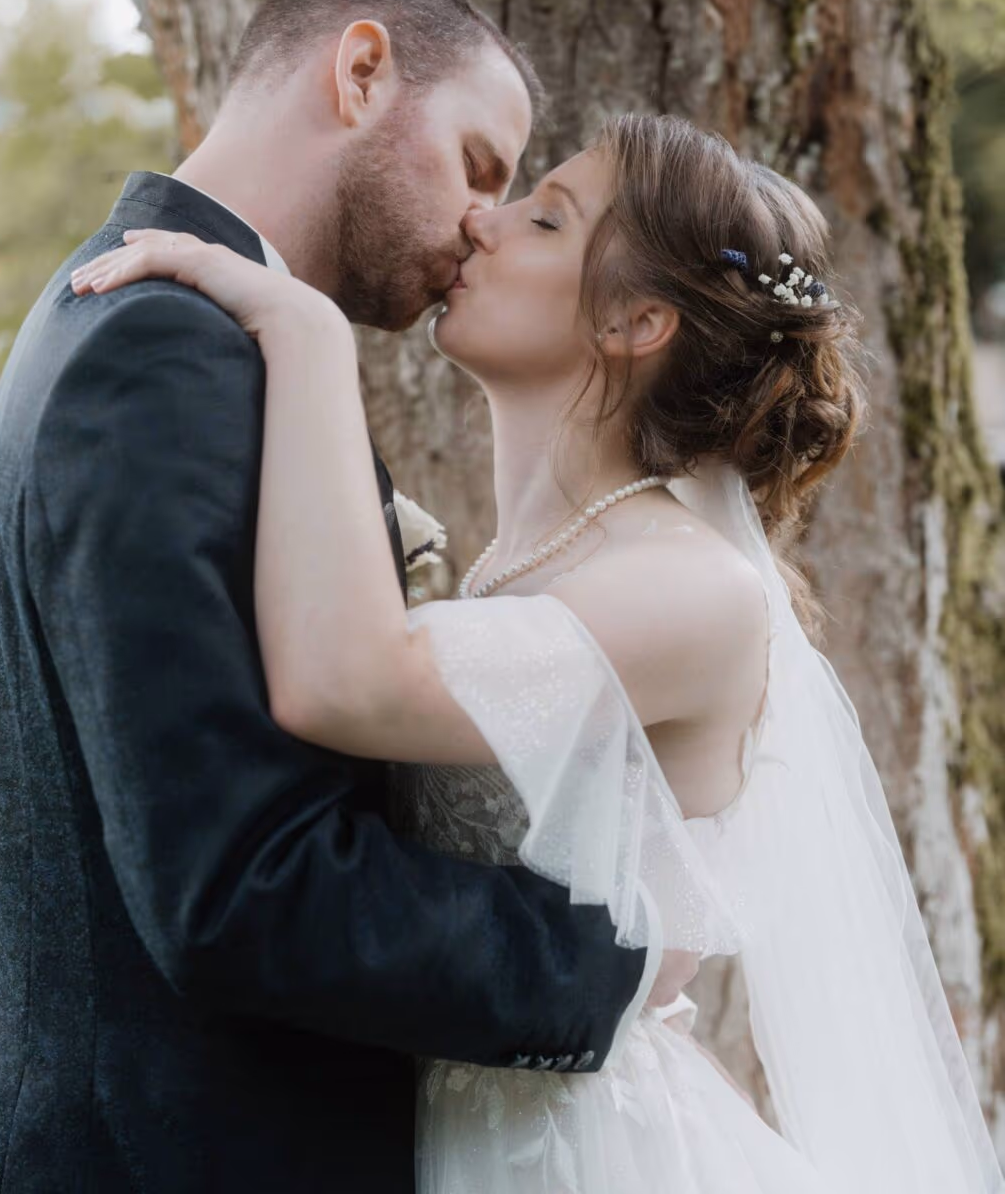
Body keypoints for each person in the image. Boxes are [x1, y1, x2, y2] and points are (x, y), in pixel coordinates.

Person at [73, 109, 1005, 1192]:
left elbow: (344, 681)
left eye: (544, 217)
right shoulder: (543, 563)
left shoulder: (696, 589)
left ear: (634, 321)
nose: (481, 222)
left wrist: (307, 334)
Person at [0, 0, 696, 1194]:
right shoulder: (165, 356)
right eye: (476, 164)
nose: (479, 224)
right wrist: (613, 963)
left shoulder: (190, 330)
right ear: (359, 72)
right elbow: (241, 888)